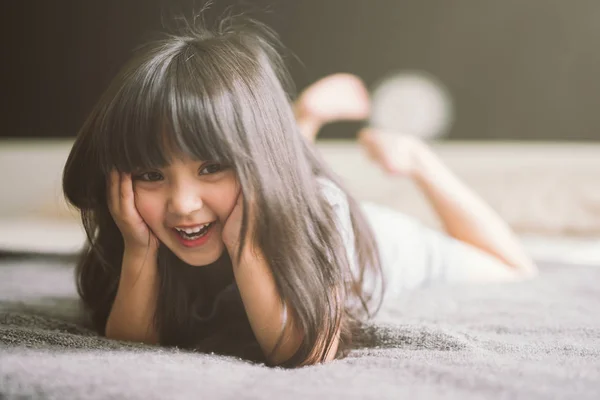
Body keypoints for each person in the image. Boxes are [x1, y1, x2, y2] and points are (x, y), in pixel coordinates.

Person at [62, 18, 537, 369]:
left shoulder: (323, 209)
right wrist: (139, 249)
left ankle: (418, 162)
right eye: (150, 175)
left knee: (515, 268)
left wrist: (246, 243)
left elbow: (303, 351)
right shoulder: (137, 224)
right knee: (256, 174)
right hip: (275, 181)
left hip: (389, 245)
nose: (182, 204)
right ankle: (300, 124)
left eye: (210, 166)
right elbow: (128, 346)